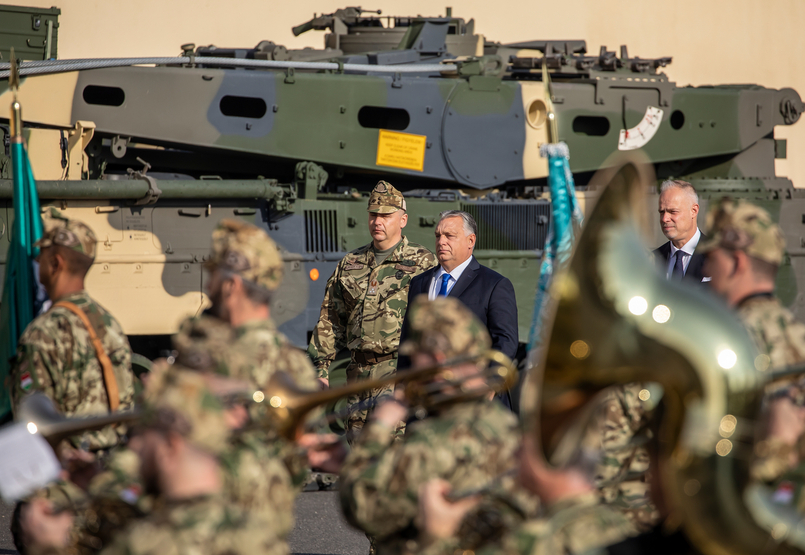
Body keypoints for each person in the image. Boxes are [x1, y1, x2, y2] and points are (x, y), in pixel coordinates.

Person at [16, 369, 283, 555]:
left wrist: (48, 546)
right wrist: (98, 485)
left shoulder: (147, 542)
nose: (134, 447)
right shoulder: (255, 532)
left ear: (171, 445)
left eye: (143, 436)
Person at [338, 296, 525, 555]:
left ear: (436, 358)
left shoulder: (430, 442)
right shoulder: (506, 424)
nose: (413, 365)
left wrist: (379, 428)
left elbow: (362, 508)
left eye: (415, 356)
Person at [307, 181, 436, 441]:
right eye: (373, 214)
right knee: (359, 455)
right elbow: (331, 318)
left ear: (403, 220)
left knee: (393, 455)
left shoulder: (423, 263)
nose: (378, 221)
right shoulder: (350, 263)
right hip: (357, 376)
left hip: (398, 373)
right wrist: (321, 370)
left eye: (386, 215)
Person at [698, 198, 805, 483]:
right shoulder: (797, 333)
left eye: (711, 259)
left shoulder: (725, 343)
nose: (706, 270)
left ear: (737, 262)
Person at [10, 207, 134, 452]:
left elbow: (32, 424)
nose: (36, 261)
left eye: (41, 255)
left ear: (56, 264)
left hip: (68, 470)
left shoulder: (43, 333)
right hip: (109, 463)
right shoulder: (111, 325)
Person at [416, 434, 637, 555]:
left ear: (550, 456)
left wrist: (436, 535)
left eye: (525, 444)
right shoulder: (622, 525)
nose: (515, 452)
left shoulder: (531, 542)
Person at [402, 210, 518, 406]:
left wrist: (489, 383)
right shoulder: (419, 283)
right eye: (438, 235)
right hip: (427, 402)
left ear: (470, 241)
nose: (441, 241)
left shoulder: (494, 285)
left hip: (475, 401)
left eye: (450, 236)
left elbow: (505, 340)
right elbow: (409, 341)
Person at [197, 218, 319, 393]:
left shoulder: (203, 356)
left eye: (213, 277)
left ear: (231, 286)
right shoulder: (296, 365)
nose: (208, 286)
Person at [653, 180, 709, 284]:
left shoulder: (715, 257)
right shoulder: (653, 260)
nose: (665, 218)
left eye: (673, 211)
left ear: (694, 211)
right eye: (662, 212)